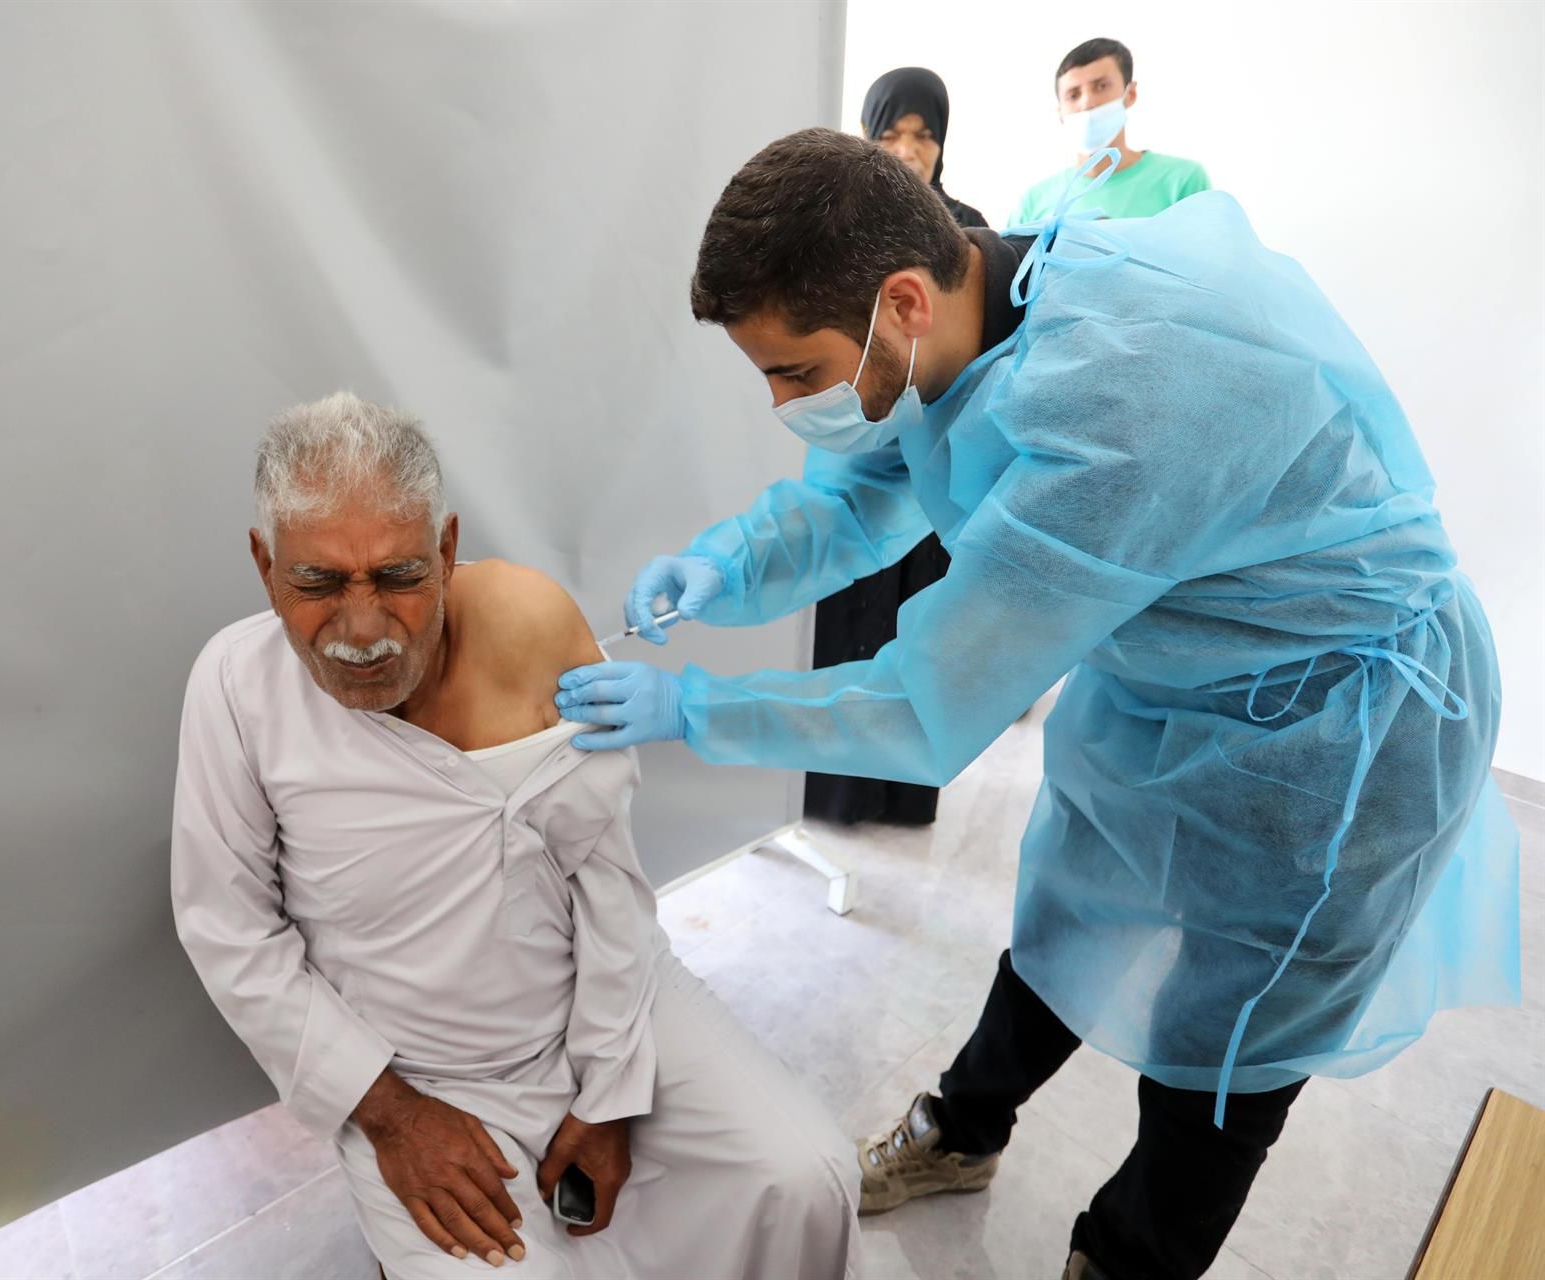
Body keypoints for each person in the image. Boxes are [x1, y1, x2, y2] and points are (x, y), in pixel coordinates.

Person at [554, 131, 1520, 1280]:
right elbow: (873, 486)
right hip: (1167, 671)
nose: (780, 404)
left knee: (1224, 1049)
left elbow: (919, 706)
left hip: (1337, 730)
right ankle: (964, 1130)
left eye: (794, 374)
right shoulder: (977, 308)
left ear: (902, 298)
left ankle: (1122, 1259)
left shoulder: (1119, 406)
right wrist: (725, 561)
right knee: (1070, 914)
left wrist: (695, 708)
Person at [170, 392, 860, 1280]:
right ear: (266, 566)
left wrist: (610, 1090)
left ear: (447, 549)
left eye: (399, 577)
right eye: (317, 584)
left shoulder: (530, 621)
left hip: (608, 1001)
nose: (364, 629)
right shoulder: (235, 687)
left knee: (805, 1177)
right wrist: (391, 1114)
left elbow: (607, 878)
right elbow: (231, 932)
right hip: (417, 1069)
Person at [799, 66, 980, 831]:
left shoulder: (966, 234)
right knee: (843, 623)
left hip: (934, 467)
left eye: (923, 135)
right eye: (890, 133)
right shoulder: (834, 231)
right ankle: (832, 795)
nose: (908, 150)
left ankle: (901, 797)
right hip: (856, 457)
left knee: (919, 629)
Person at [1010, 37, 1210, 227]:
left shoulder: (1182, 181)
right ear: (1060, 112)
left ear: (1130, 93)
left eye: (1101, 86)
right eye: (1073, 95)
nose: (1087, 102)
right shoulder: (1033, 203)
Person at [863, 67, 987, 229]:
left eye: (923, 137)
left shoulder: (969, 230)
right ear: (867, 138)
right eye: (889, 137)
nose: (907, 153)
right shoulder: (840, 222)